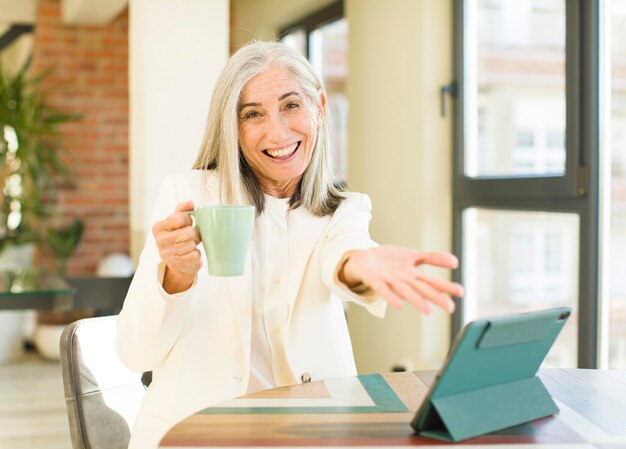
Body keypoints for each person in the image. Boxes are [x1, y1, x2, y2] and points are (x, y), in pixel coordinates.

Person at [116, 41, 464, 449]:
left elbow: (344, 251)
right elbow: (134, 354)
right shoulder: (188, 195)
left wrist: (362, 264)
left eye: (291, 106)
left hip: (312, 434)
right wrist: (176, 276)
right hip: (196, 433)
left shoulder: (343, 209)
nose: (278, 132)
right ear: (232, 126)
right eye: (253, 114)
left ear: (318, 107)